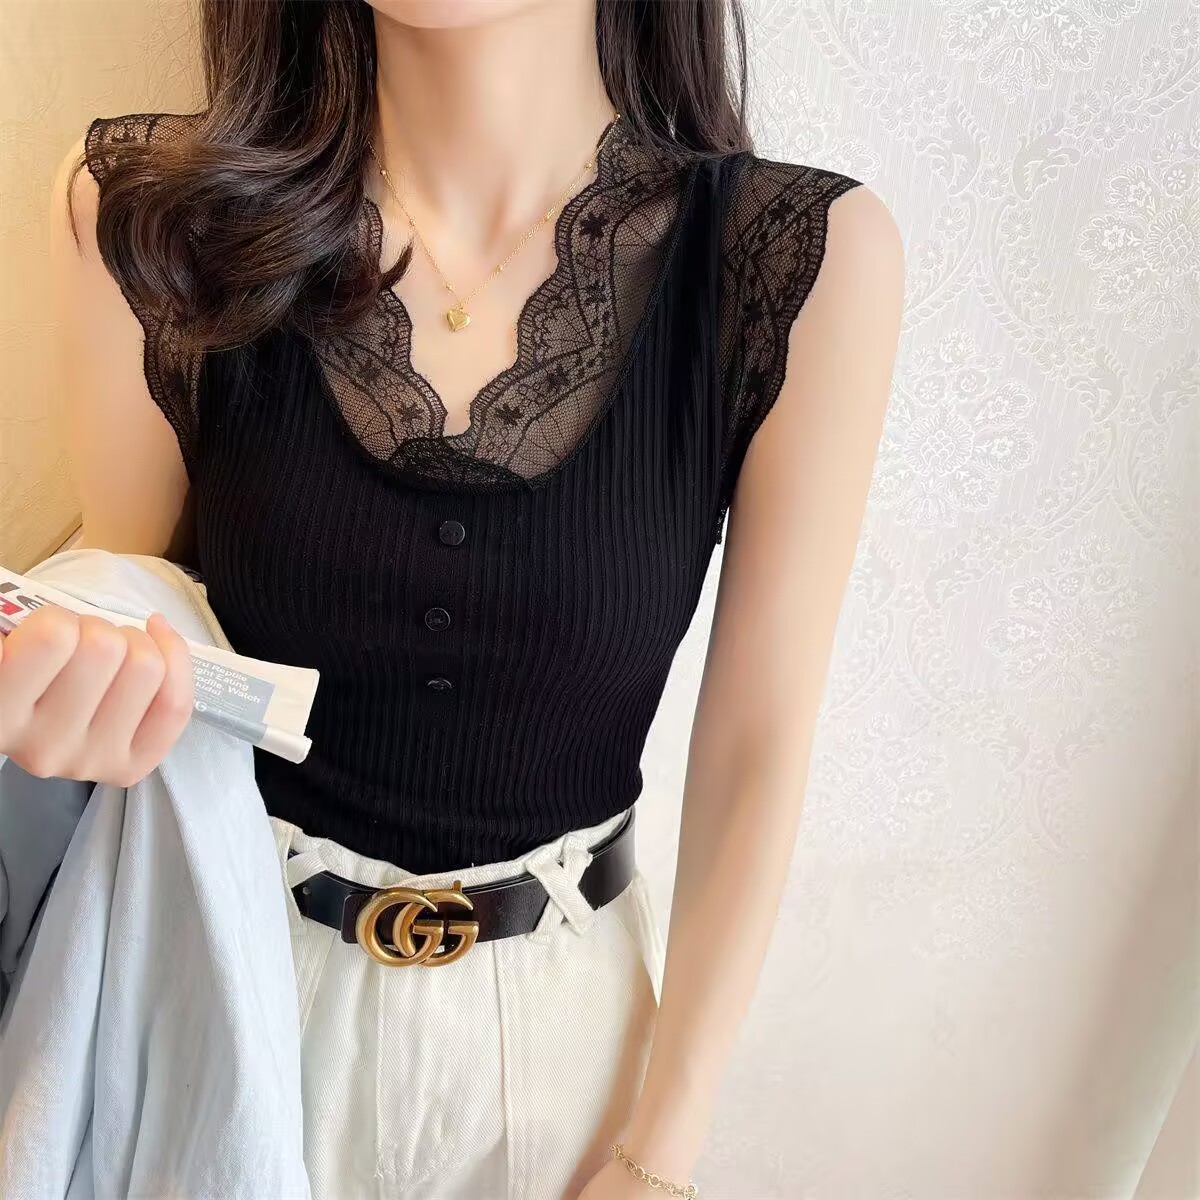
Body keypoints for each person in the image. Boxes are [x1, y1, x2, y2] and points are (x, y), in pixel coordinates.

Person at [1, 0, 904, 1196]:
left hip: (568, 1053)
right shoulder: (148, 215)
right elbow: (135, 621)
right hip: (222, 995)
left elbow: (758, 745)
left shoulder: (795, 259)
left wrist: (661, 1151)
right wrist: (58, 681)